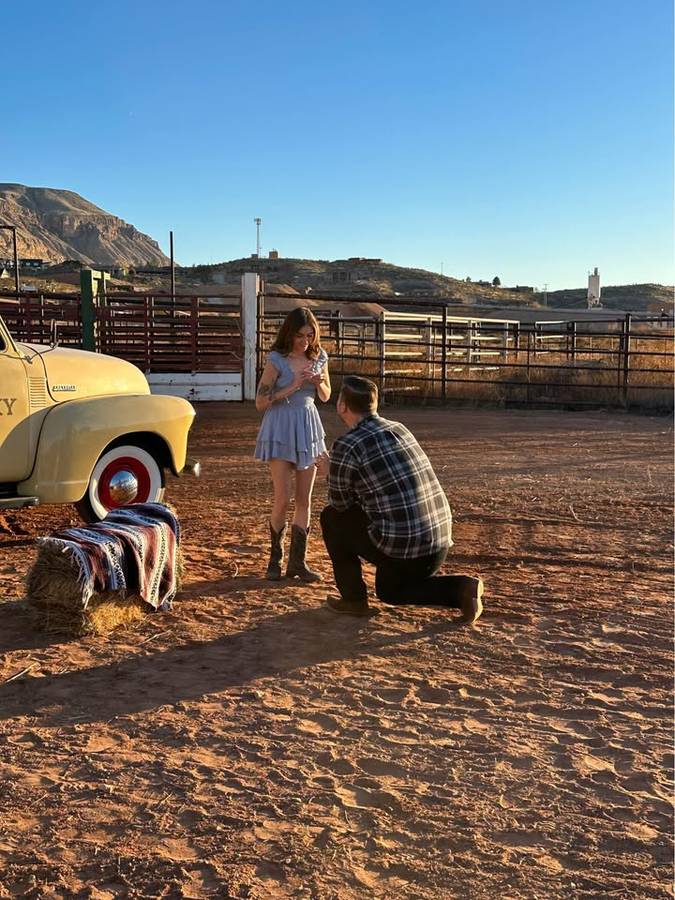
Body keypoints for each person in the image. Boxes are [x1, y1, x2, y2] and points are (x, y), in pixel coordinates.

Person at [315, 375, 483, 621]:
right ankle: (461, 588)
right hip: (438, 542)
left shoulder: (347, 445)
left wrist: (331, 472)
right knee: (390, 589)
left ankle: (353, 599)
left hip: (404, 549)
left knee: (331, 518)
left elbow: (340, 504)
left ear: (342, 406)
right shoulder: (398, 428)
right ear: (374, 404)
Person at [255, 307, 331, 581]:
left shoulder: (320, 357)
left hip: (308, 425)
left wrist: (318, 383)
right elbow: (260, 402)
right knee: (282, 498)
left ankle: (297, 563)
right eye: (300, 336)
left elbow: (325, 396)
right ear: (290, 333)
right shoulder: (277, 360)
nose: (305, 341)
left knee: (303, 499)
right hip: (280, 426)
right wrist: (294, 386)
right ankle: (274, 561)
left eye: (310, 335)